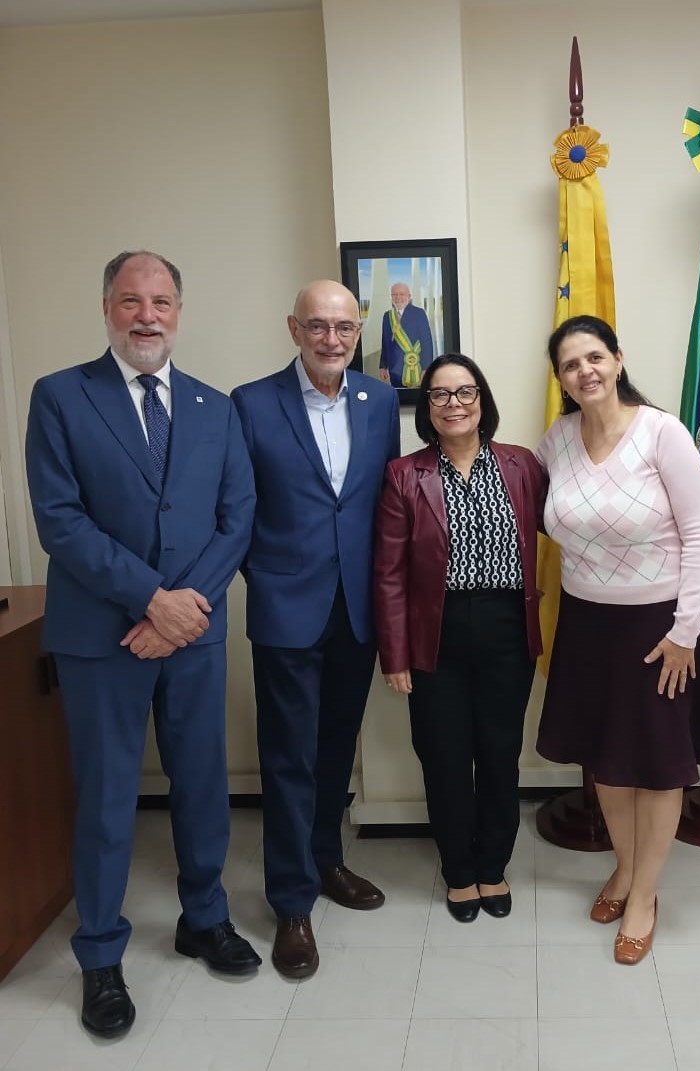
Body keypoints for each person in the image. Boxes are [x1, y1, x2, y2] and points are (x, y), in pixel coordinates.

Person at [24, 251, 261, 1039]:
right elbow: (60, 519)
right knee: (105, 796)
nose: (147, 315)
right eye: (131, 301)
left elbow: (237, 518)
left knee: (202, 784)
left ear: (179, 312)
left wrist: (181, 611)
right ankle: (99, 953)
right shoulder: (60, 396)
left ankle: (205, 917)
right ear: (106, 308)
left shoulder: (215, 407)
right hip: (102, 636)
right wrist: (150, 600)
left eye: (161, 301)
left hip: (193, 632)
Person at [535, 314, 700, 964]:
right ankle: (624, 869)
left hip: (660, 628)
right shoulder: (557, 440)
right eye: (571, 364)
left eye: (595, 357)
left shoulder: (661, 433)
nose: (585, 371)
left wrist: (684, 633)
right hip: (586, 623)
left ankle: (644, 896)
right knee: (608, 762)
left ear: (617, 360)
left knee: (655, 766)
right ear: (561, 378)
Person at [231, 280, 400, 980]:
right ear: (293, 328)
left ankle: (327, 859)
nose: (333, 339)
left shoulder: (379, 401)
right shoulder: (250, 403)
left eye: (345, 327)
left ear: (359, 331)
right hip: (286, 608)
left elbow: (385, 503)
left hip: (356, 608)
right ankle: (291, 901)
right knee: (288, 756)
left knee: (335, 746)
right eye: (318, 326)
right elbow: (236, 507)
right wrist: (265, 580)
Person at [374, 354, 545, 922]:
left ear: (482, 400)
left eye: (465, 392)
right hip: (435, 634)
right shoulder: (405, 475)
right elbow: (389, 574)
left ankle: (493, 865)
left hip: (506, 628)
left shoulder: (521, 465)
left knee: (499, 754)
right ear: (427, 407)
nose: (454, 404)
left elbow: (568, 520)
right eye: (440, 394)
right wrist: (395, 654)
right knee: (444, 757)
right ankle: (459, 871)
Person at [379, 282, 434, 388]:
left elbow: (426, 342)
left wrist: (426, 368)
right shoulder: (387, 316)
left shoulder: (419, 313)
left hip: (416, 368)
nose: (398, 297)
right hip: (394, 370)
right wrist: (383, 366)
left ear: (409, 296)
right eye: (395, 294)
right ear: (391, 297)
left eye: (402, 294)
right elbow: (385, 342)